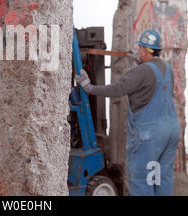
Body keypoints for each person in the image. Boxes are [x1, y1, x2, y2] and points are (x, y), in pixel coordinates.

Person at [75, 29, 181, 196]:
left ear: (145, 51)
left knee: (140, 178)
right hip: (171, 130)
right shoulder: (167, 69)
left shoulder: (141, 72)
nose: (138, 51)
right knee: (161, 176)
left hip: (150, 133)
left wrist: (90, 88)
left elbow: (118, 89)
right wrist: (140, 65)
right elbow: (152, 86)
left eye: (140, 48)